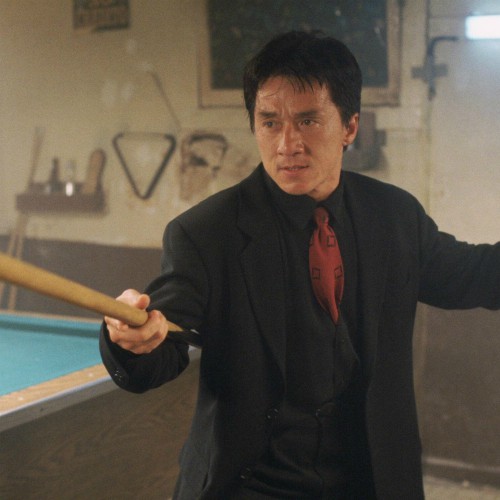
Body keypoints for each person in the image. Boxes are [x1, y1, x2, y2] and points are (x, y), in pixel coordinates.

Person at [100, 31, 500, 499]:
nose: (287, 144)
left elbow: (475, 275)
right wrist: (130, 341)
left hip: (371, 482)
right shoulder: (206, 233)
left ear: (349, 126)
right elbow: (160, 345)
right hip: (250, 485)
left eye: (308, 120)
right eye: (270, 122)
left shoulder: (394, 216)